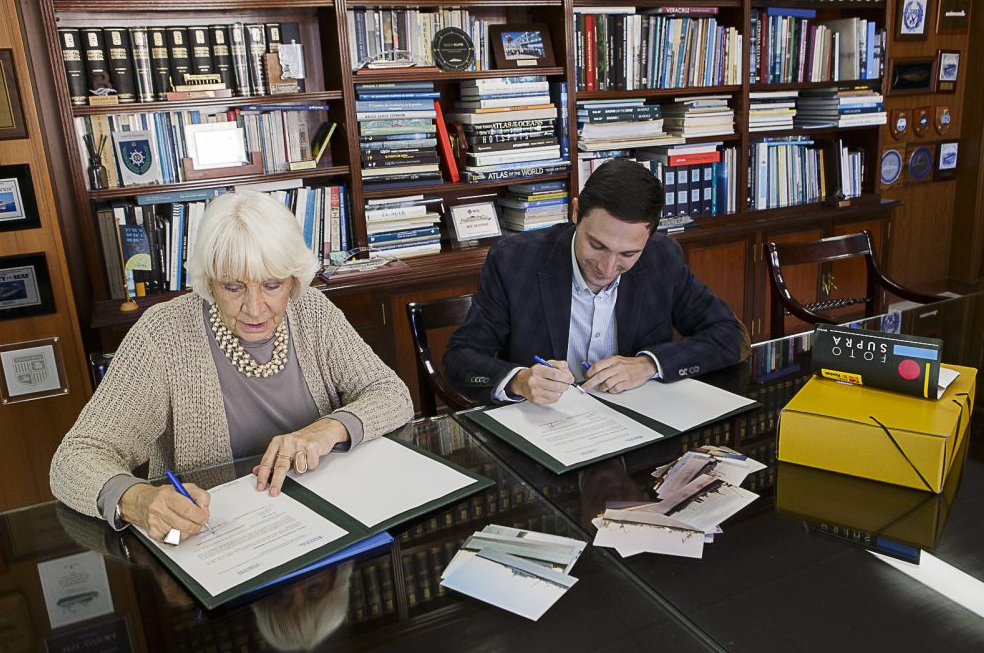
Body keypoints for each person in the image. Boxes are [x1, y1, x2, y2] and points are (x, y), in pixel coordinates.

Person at [50, 190, 414, 543]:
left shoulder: (312, 311)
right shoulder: (162, 335)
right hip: (216, 538)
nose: (255, 309)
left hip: (325, 525)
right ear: (209, 282)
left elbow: (391, 394)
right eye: (233, 287)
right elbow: (75, 458)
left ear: (293, 280)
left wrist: (328, 429)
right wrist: (138, 500)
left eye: (272, 285)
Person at [444, 158, 749, 406]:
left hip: (637, 425)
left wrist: (648, 365)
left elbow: (731, 336)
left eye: (628, 253)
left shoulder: (661, 258)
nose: (607, 267)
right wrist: (519, 380)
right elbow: (460, 358)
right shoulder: (514, 261)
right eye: (597, 245)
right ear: (576, 212)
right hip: (545, 427)